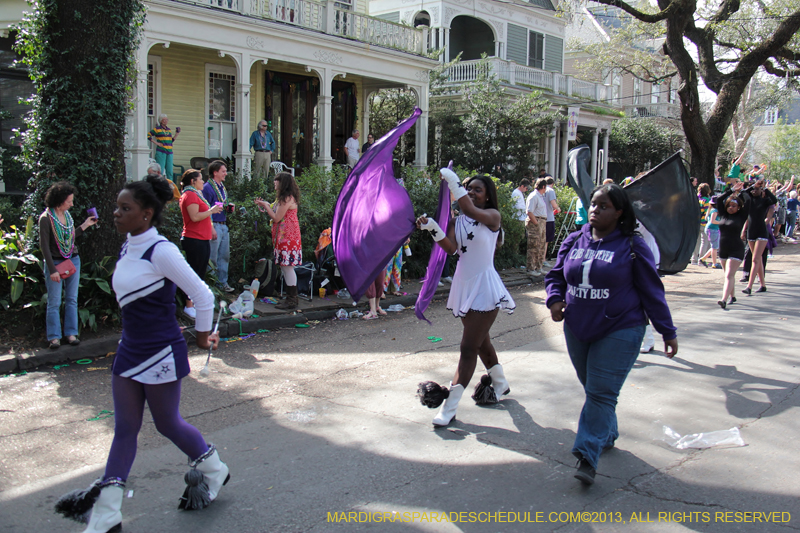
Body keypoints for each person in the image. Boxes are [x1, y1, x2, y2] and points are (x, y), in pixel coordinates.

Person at [55, 175, 228, 533]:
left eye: (125, 208)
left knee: (167, 423)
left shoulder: (161, 250)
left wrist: (201, 338)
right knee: (124, 429)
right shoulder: (128, 246)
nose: (116, 213)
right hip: (130, 348)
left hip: (161, 350)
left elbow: (203, 294)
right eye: (117, 207)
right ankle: (107, 513)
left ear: (146, 214)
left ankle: (213, 469)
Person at [545, 183, 678, 485]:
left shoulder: (632, 245)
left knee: (601, 392)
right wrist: (554, 299)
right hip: (578, 327)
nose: (595, 210)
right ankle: (608, 432)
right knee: (594, 389)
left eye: (603, 206)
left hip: (621, 327)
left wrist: (667, 331)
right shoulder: (573, 240)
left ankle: (586, 455)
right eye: (593, 204)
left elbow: (652, 291)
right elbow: (555, 275)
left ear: (619, 212)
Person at [417, 170, 515, 426]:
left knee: (468, 347)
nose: (471, 192)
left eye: (477, 190)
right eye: (468, 188)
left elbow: (470, 210)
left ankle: (449, 407)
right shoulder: (457, 220)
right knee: (481, 343)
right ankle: (500, 383)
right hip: (463, 286)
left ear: (487, 197)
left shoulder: (492, 217)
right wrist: (433, 228)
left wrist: (453, 182)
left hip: (485, 288)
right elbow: (451, 249)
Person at [39, 181, 98, 349]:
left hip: (72, 260)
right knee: (54, 301)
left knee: (72, 299)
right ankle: (54, 337)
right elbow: (44, 246)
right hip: (56, 263)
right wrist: (52, 270)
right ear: (59, 200)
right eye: (69, 201)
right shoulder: (46, 218)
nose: (72, 204)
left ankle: (71, 334)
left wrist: (85, 225)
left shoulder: (67, 216)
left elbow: (69, 238)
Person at [255, 172, 302, 310]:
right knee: (285, 268)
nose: (274, 183)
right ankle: (290, 297)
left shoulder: (286, 198)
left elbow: (276, 217)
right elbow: (276, 211)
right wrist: (266, 205)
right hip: (284, 237)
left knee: (288, 268)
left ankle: (292, 299)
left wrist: (266, 206)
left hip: (287, 237)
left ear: (283, 183)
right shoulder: (283, 198)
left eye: (277, 181)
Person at [179, 169, 222, 317]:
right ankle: (188, 305)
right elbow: (195, 217)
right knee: (193, 273)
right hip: (193, 239)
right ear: (193, 181)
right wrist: (211, 211)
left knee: (201, 272)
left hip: (202, 238)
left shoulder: (197, 194)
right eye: (200, 179)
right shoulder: (189, 195)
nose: (203, 181)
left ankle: (197, 303)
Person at [715, 182, 751, 308]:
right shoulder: (724, 214)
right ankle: (733, 296)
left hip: (736, 249)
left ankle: (723, 300)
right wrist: (731, 190)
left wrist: (742, 191)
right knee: (728, 275)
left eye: (734, 206)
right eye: (729, 205)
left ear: (738, 207)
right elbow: (719, 199)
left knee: (729, 275)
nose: (731, 207)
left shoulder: (741, 216)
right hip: (723, 249)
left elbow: (748, 201)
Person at [202, 161, 234, 293]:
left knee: (224, 256)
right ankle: (212, 285)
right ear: (215, 172)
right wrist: (210, 227)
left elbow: (220, 204)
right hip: (214, 225)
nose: (225, 174)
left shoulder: (222, 187)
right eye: (223, 171)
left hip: (223, 224)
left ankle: (223, 283)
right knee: (212, 257)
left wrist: (229, 208)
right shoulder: (207, 188)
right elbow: (205, 209)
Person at [742, 179, 777, 295]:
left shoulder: (765, 201)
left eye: (757, 189)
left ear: (761, 190)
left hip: (762, 232)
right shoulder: (749, 200)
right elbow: (742, 193)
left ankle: (749, 286)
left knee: (755, 259)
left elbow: (774, 200)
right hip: (751, 232)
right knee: (758, 260)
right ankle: (763, 285)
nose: (754, 191)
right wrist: (753, 186)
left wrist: (765, 188)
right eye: (753, 190)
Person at [147, 114, 180, 184]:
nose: (165, 121)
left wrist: (177, 134)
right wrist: (156, 143)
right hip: (161, 151)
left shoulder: (168, 130)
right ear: (161, 121)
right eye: (163, 120)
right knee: (160, 170)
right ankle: (159, 184)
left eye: (166, 119)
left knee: (170, 171)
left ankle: (170, 186)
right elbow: (148, 135)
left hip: (169, 151)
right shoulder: (157, 129)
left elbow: (171, 141)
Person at [525, 178, 548, 278]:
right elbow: (529, 211)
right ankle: (531, 268)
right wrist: (536, 223)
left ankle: (538, 267)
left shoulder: (540, 196)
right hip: (536, 223)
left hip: (542, 222)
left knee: (541, 246)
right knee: (534, 246)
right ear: (543, 186)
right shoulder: (534, 196)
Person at [691, 183, 712, 265]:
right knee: (704, 242)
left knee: (697, 242)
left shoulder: (696, 199)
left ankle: (694, 259)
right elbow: (706, 212)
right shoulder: (706, 201)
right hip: (704, 223)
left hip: (696, 223)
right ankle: (701, 259)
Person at [699, 204, 722, 269]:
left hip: (710, 229)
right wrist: (722, 222)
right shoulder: (715, 210)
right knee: (714, 247)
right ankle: (714, 264)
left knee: (714, 246)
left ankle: (703, 259)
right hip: (713, 230)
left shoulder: (710, 209)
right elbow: (713, 221)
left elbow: (706, 218)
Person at [544, 177, 560, 263]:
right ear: (552, 184)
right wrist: (558, 208)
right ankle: (543, 259)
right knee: (546, 241)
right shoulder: (551, 191)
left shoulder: (541, 190)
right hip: (549, 218)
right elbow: (554, 204)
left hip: (540, 217)